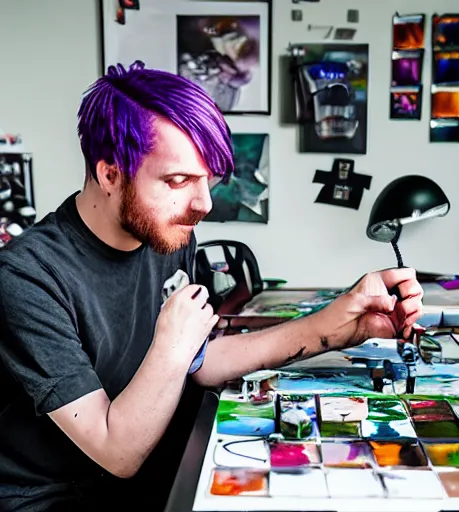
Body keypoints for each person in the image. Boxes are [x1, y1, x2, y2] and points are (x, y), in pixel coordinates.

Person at [0, 61, 423, 511]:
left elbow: (199, 363)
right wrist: (171, 344)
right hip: (48, 498)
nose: (202, 204)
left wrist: (340, 326)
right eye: (179, 181)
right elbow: (116, 450)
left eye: (209, 180)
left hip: (151, 471)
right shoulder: (27, 276)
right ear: (109, 175)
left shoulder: (168, 231)